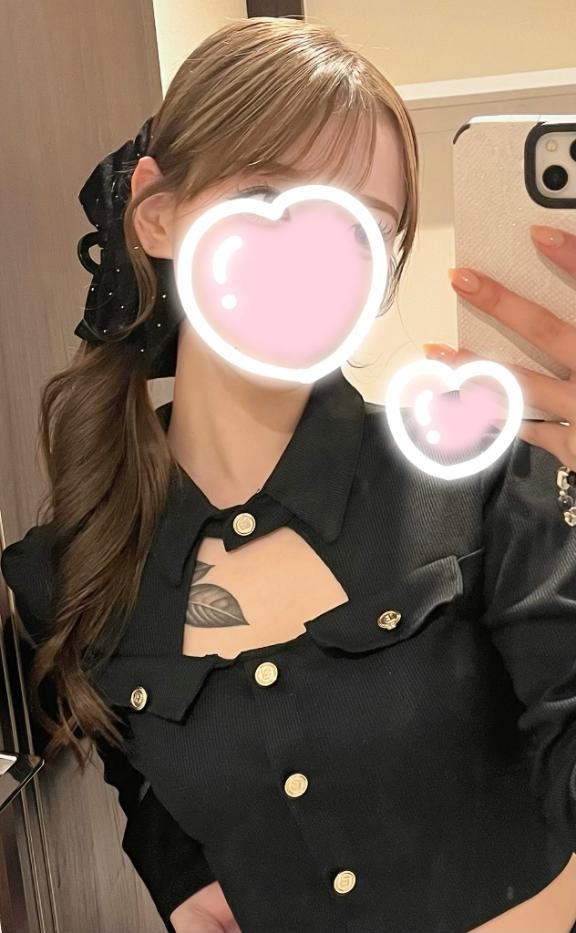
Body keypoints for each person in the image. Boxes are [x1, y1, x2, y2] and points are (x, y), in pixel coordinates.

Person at [3, 15, 576, 933]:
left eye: (364, 226)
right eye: (268, 193)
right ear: (158, 213)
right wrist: (174, 862)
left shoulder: (484, 483)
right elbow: (129, 753)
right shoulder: (67, 573)